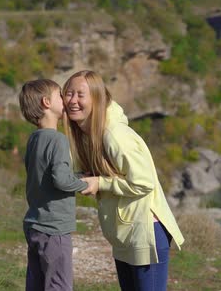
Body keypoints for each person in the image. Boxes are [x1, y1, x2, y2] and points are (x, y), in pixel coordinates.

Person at [62, 70, 184, 291]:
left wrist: (101, 183)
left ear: (97, 98)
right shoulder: (89, 134)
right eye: (68, 94)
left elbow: (144, 182)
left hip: (145, 231)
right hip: (125, 231)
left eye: (80, 94)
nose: (72, 101)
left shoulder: (114, 135)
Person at [18, 78, 92, 291]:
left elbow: (46, 175)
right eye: (60, 95)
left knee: (37, 284)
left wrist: (76, 175)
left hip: (34, 224)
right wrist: (85, 183)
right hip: (54, 228)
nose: (66, 100)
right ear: (46, 102)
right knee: (59, 285)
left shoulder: (34, 139)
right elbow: (60, 180)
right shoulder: (58, 140)